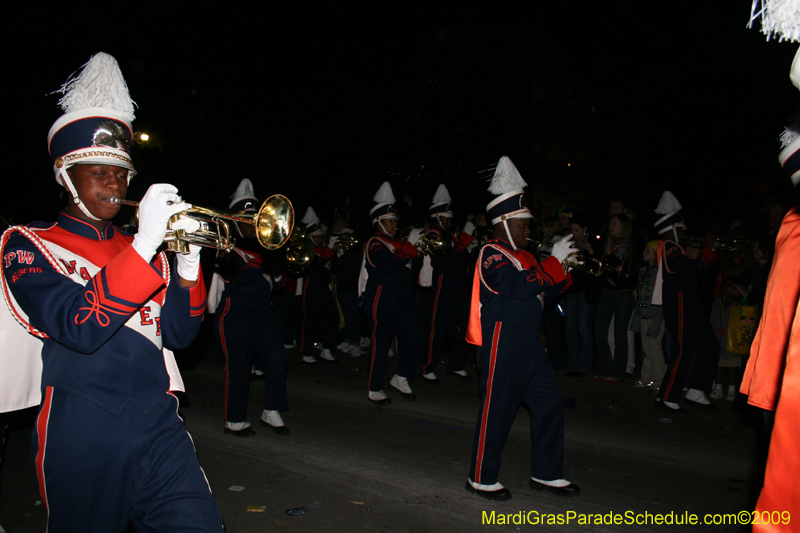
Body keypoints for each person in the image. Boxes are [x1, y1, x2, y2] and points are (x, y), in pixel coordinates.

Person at [0, 52, 222, 530]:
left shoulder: (140, 250)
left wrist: (187, 262)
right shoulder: (28, 243)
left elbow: (180, 336)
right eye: (98, 171)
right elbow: (77, 326)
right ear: (65, 176)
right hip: (83, 430)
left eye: (121, 172)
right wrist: (144, 244)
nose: (114, 183)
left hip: (160, 423)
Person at [465, 156, 580, 501]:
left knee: (549, 405)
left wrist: (566, 271)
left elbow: (542, 293)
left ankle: (546, 473)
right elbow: (517, 287)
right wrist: (553, 263)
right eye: (523, 224)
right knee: (497, 409)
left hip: (530, 342)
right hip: (504, 340)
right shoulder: (491, 253)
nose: (530, 230)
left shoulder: (528, 256)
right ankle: (481, 477)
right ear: (504, 222)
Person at [211, 179, 290, 437]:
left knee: (278, 360)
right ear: (234, 221)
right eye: (245, 218)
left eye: (254, 218)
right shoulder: (226, 247)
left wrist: (277, 264)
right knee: (239, 367)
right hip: (235, 315)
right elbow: (242, 277)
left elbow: (279, 286)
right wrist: (266, 259)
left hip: (262, 315)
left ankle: (271, 410)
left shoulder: (265, 250)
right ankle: (234, 420)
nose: (251, 223)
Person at [651, 191, 719, 413]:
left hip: (691, 307)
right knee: (682, 352)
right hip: (681, 308)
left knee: (710, 345)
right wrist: (706, 251)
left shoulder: (675, 248)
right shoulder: (670, 246)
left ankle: (697, 389)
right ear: (671, 229)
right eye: (680, 228)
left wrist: (698, 254)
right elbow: (690, 270)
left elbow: (692, 270)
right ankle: (669, 397)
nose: (684, 232)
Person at [360, 182, 425, 405]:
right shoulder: (375, 242)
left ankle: (400, 377)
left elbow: (411, 268)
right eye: (390, 220)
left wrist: (418, 253)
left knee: (416, 338)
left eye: (395, 220)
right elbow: (389, 264)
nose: (395, 223)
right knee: (382, 343)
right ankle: (374, 387)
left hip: (402, 300)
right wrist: (410, 247)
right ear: (379, 222)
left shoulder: (397, 242)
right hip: (382, 299)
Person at [419, 184, 475, 383]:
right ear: (438, 216)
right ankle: (427, 366)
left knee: (469, 324)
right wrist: (464, 242)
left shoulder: (451, 235)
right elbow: (448, 262)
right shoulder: (433, 235)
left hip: (458, 286)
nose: (451, 219)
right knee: (438, 328)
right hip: (443, 285)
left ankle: (456, 364)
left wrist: (463, 245)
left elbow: (464, 259)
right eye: (447, 216)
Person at [593, 213, 639, 383]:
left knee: (620, 334)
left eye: (614, 224)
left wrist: (610, 254)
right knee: (599, 333)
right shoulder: (606, 243)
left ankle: (618, 372)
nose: (610, 227)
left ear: (623, 227)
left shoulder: (632, 246)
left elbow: (624, 272)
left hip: (623, 294)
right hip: (606, 292)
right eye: (610, 224)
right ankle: (604, 368)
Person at [299, 206, 339, 364]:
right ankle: (306, 352)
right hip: (311, 289)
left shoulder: (324, 249)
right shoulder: (304, 250)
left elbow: (333, 269)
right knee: (309, 322)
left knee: (334, 318)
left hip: (324, 289)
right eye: (316, 236)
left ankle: (327, 348)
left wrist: (336, 256)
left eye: (321, 236)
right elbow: (315, 267)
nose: (320, 238)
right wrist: (328, 254)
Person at [563, 214, 597, 377]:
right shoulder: (570, 243)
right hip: (571, 290)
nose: (574, 233)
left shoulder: (594, 242)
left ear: (585, 229)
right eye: (572, 230)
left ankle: (584, 366)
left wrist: (589, 251)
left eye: (577, 230)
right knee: (570, 329)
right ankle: (571, 365)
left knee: (584, 328)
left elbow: (596, 270)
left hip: (585, 290)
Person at [629, 240, 665, 391]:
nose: (644, 254)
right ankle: (646, 378)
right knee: (646, 350)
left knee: (655, 349)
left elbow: (660, 299)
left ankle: (659, 380)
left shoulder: (660, 273)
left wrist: (657, 320)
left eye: (648, 251)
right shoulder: (644, 271)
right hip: (644, 316)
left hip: (655, 317)